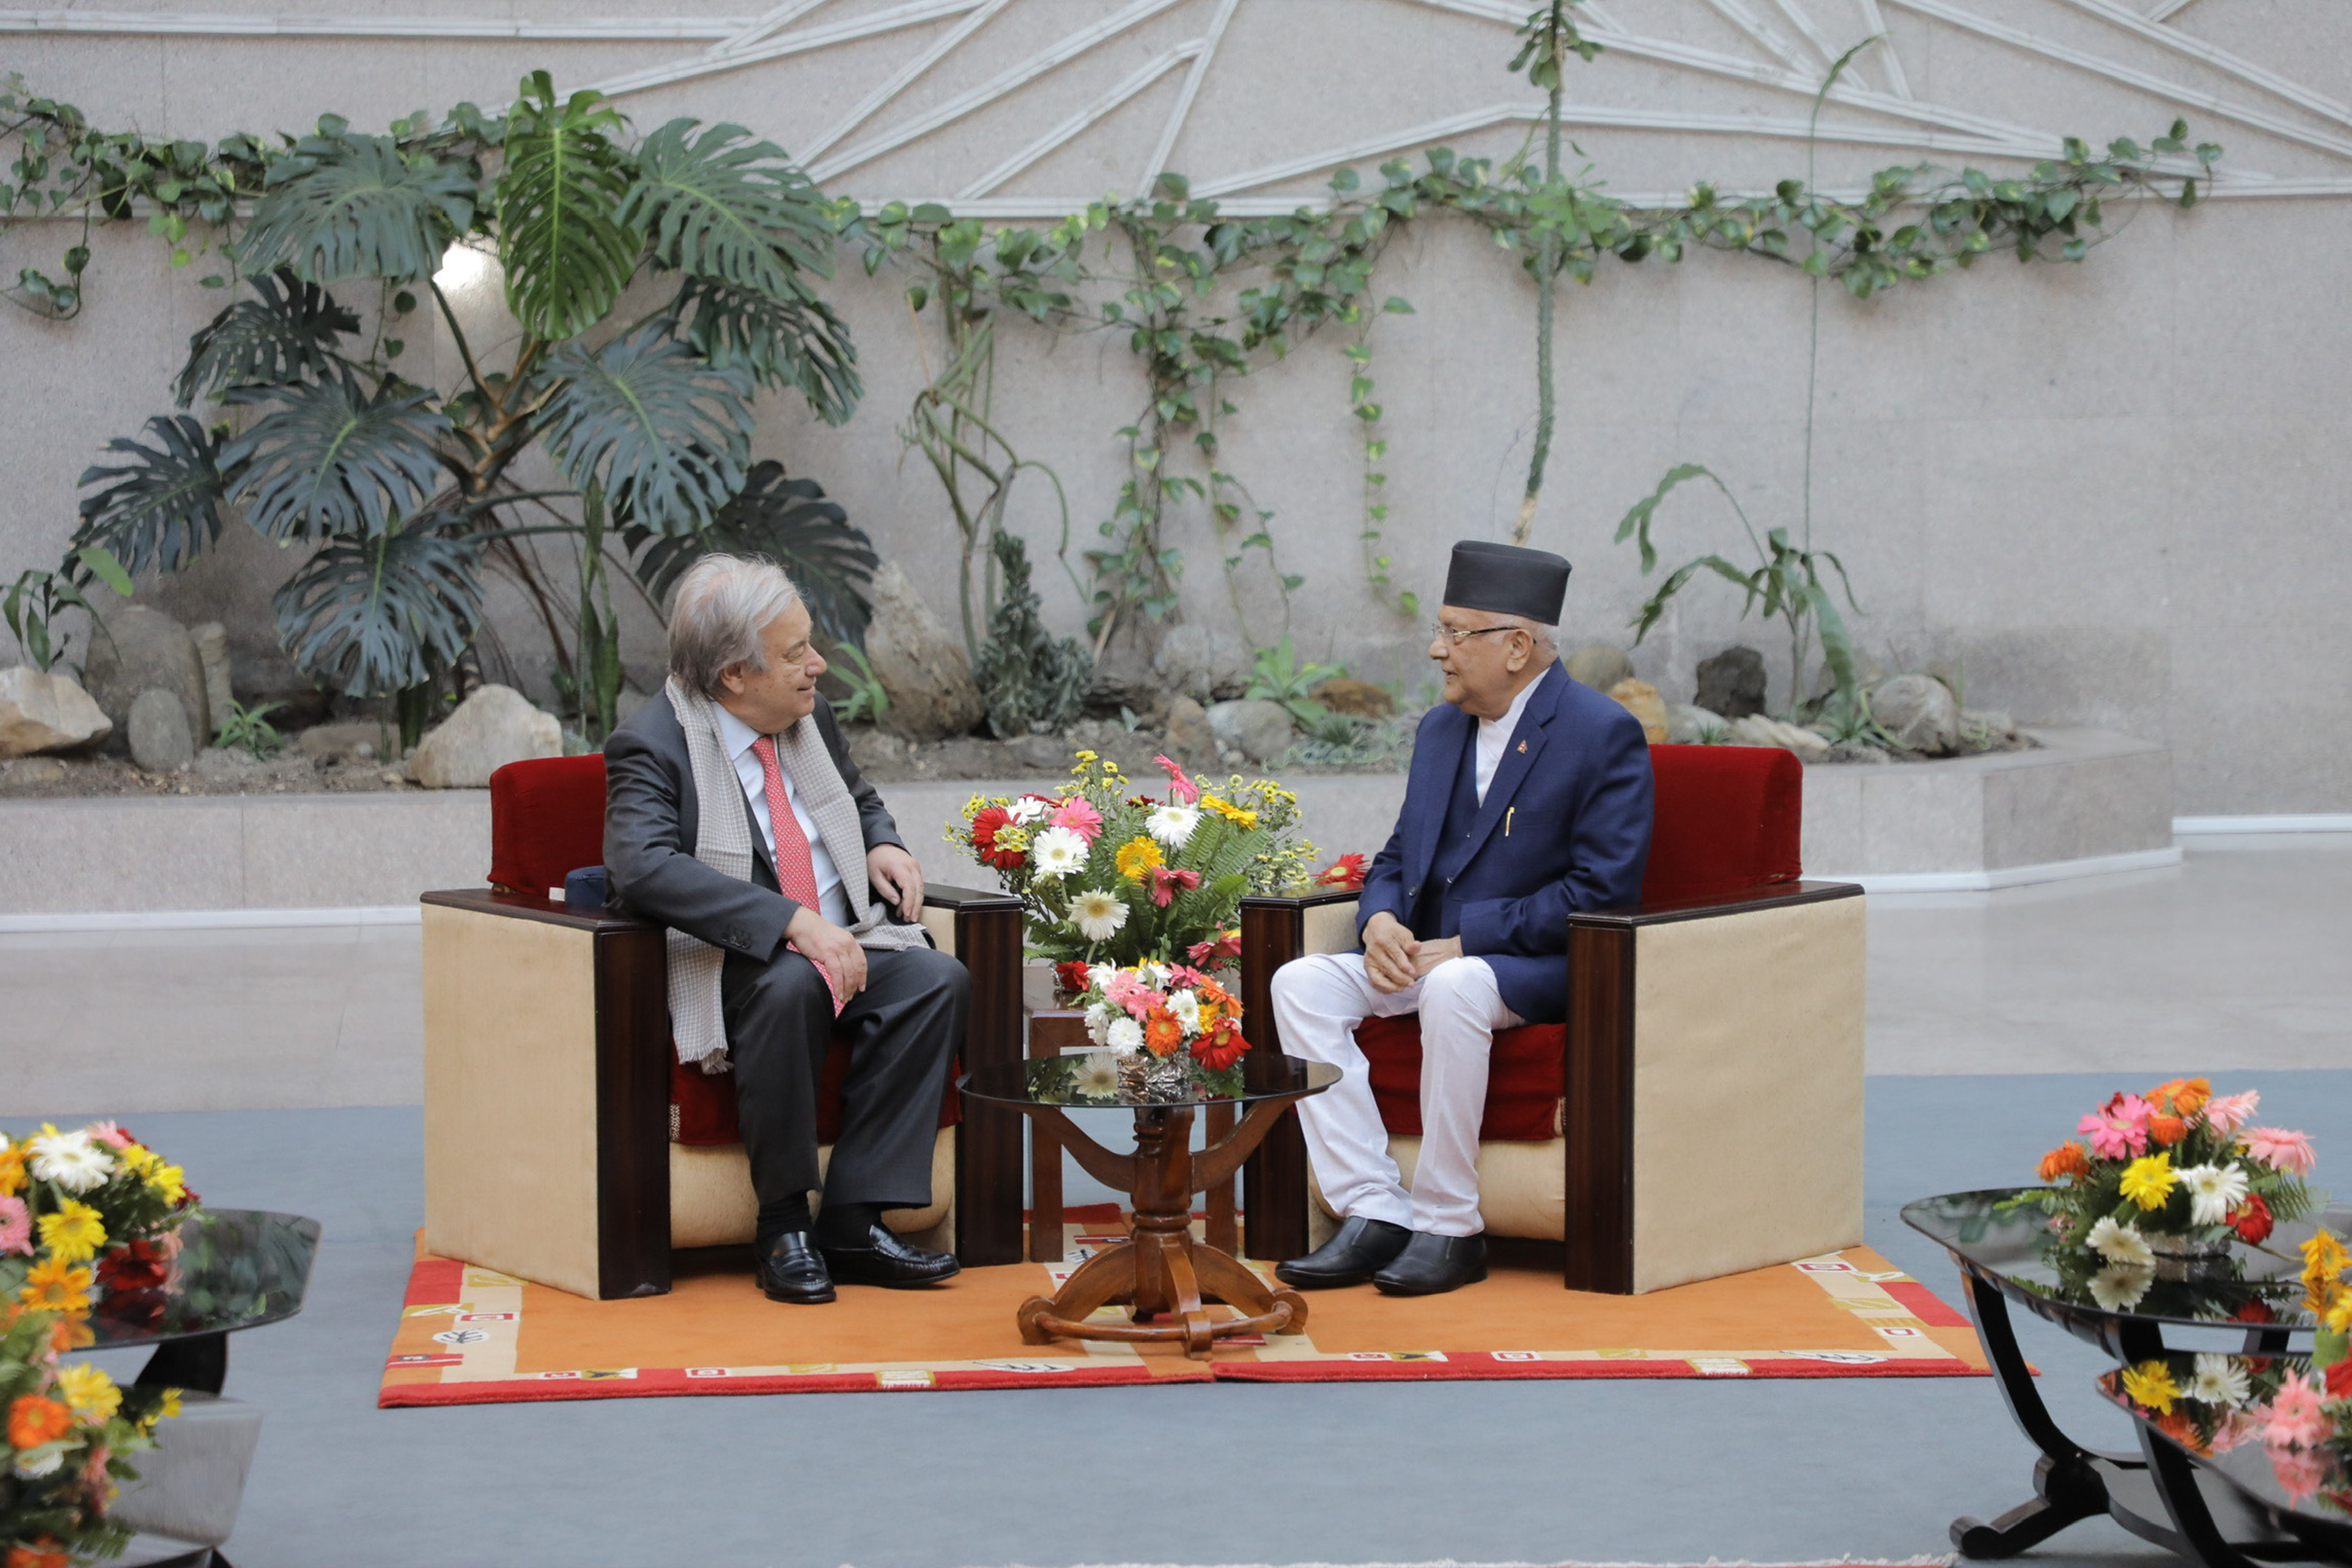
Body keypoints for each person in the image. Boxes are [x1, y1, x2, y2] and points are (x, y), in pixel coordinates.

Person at [1269, 540, 1654, 1296]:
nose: (1436, 649)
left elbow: (1601, 891)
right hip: (1434, 956)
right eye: (1440, 631)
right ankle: (1373, 1208)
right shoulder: (1440, 729)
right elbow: (1396, 856)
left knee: (1457, 987)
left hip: (1539, 965)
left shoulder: (1599, 732)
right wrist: (1379, 920)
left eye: (1456, 632)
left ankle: (1449, 1224)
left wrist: (1468, 941)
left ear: (1518, 646)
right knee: (1301, 983)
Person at [604, 554, 968, 1306]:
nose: (819, 665)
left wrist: (882, 840)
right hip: (738, 960)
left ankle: (854, 1218)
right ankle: (782, 1227)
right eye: (797, 652)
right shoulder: (653, 743)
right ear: (735, 674)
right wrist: (791, 922)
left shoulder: (808, 717)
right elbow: (640, 868)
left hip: (853, 937)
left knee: (937, 978)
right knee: (794, 983)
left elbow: (856, 796)